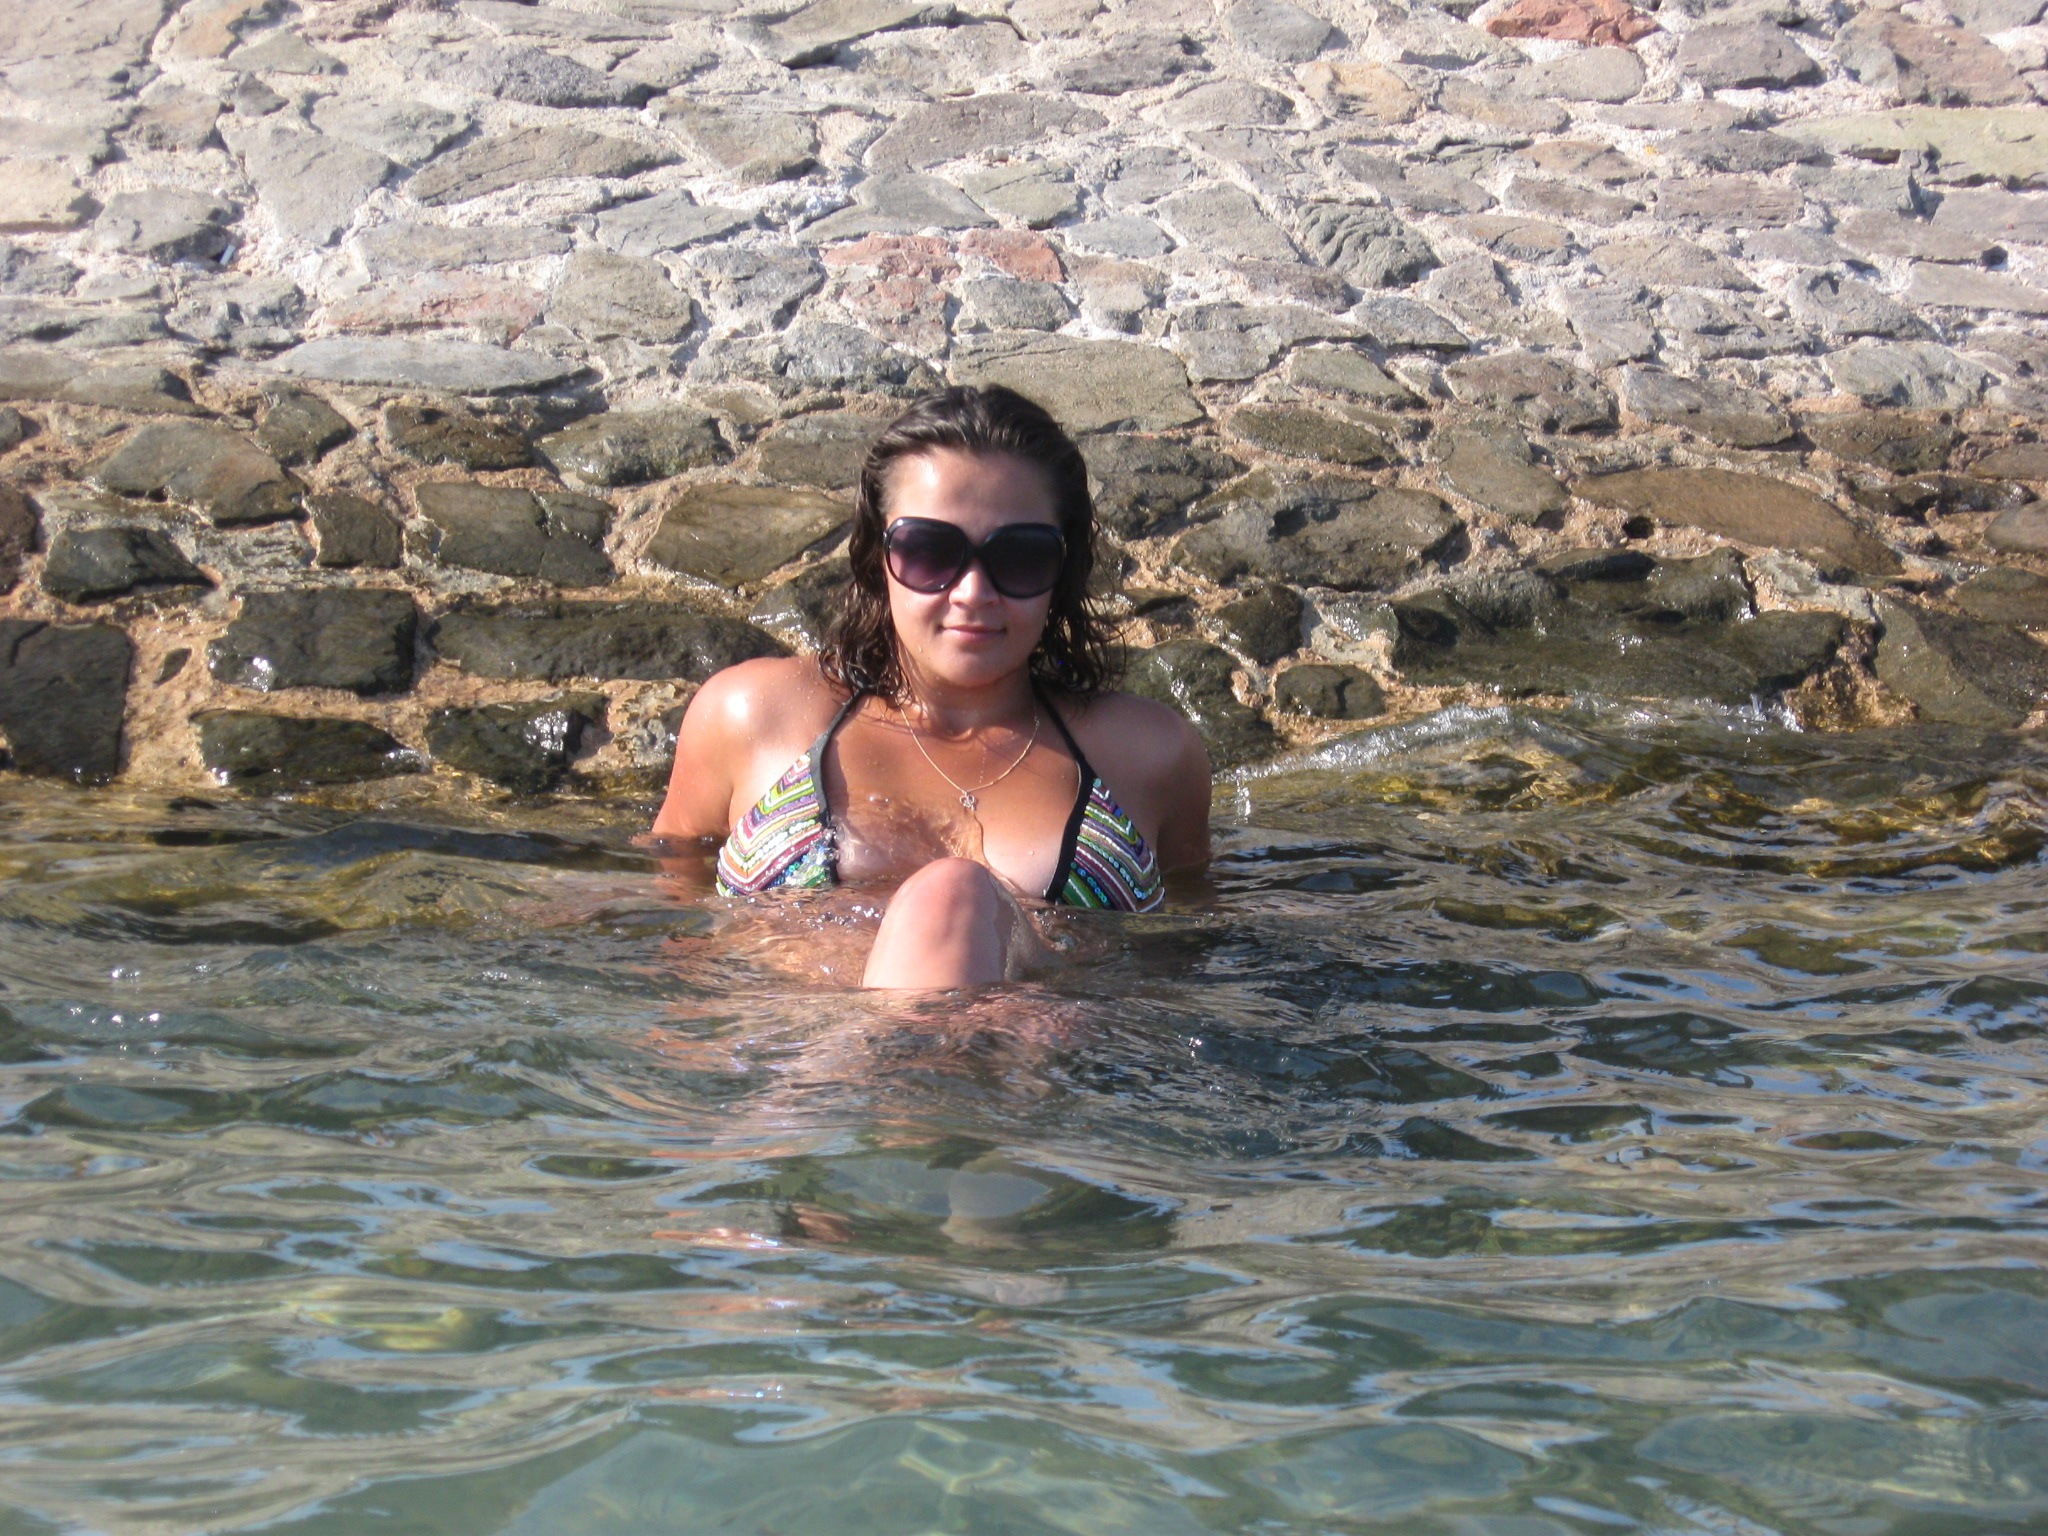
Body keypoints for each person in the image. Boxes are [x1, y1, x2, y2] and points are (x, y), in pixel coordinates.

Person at [652, 385, 1212, 990]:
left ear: (1063, 569)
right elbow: (669, 927)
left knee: (954, 894)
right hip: (804, 1045)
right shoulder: (755, 715)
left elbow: (1189, 950)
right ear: (877, 557)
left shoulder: (1150, 753)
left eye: (1020, 557)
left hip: (1043, 1050)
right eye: (930, 551)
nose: (973, 592)